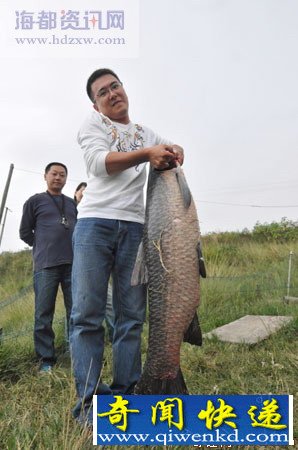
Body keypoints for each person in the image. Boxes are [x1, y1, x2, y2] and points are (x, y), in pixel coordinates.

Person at [70, 68, 184, 425]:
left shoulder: (146, 133)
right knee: (87, 316)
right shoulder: (92, 126)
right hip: (94, 225)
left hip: (137, 229)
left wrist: (174, 151)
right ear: (96, 103)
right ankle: (90, 403)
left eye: (115, 86)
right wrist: (148, 153)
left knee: (131, 316)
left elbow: (167, 153)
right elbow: (99, 165)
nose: (112, 93)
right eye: (103, 92)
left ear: (124, 89)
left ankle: (127, 393)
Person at [19, 162, 77, 372]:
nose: (58, 178)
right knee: (43, 313)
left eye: (62, 175)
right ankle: (46, 360)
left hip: (72, 264)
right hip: (45, 265)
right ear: (45, 176)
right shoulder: (34, 201)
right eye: (54, 174)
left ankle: (75, 354)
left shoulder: (71, 203)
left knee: (75, 312)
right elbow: (25, 232)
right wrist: (42, 245)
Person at [74, 181, 114, 341]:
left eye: (87, 191)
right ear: (75, 193)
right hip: (72, 267)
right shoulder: (70, 212)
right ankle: (73, 343)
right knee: (79, 309)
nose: (84, 193)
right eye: (81, 190)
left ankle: (114, 337)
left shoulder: (99, 213)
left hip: (97, 267)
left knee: (110, 304)